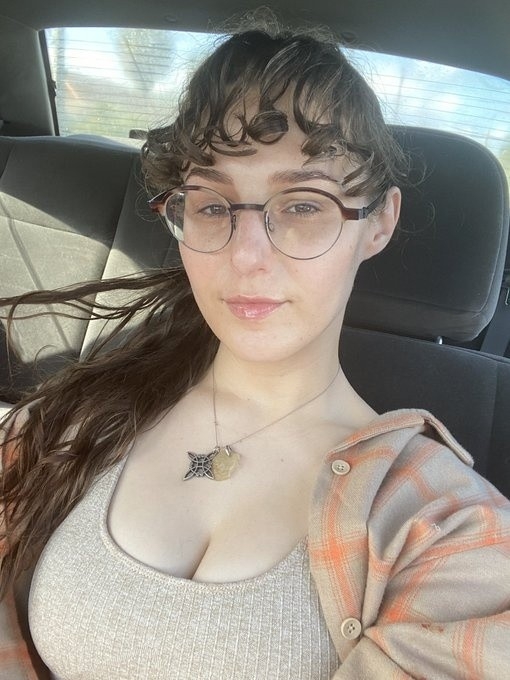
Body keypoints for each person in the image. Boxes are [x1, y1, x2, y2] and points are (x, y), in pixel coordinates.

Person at [1, 21, 509, 680]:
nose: (245, 257)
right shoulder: (73, 415)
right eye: (212, 206)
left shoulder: (445, 524)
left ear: (379, 222)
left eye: (303, 206)